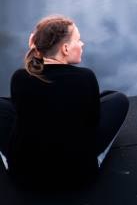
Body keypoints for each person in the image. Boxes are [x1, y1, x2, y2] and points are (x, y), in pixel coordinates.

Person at [0, 16, 129, 189]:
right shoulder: (85, 77)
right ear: (66, 48)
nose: (82, 44)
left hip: (23, 175)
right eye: (78, 39)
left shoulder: (20, 78)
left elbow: (21, 113)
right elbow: (92, 124)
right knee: (118, 99)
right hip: (79, 175)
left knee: (8, 107)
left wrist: (36, 51)